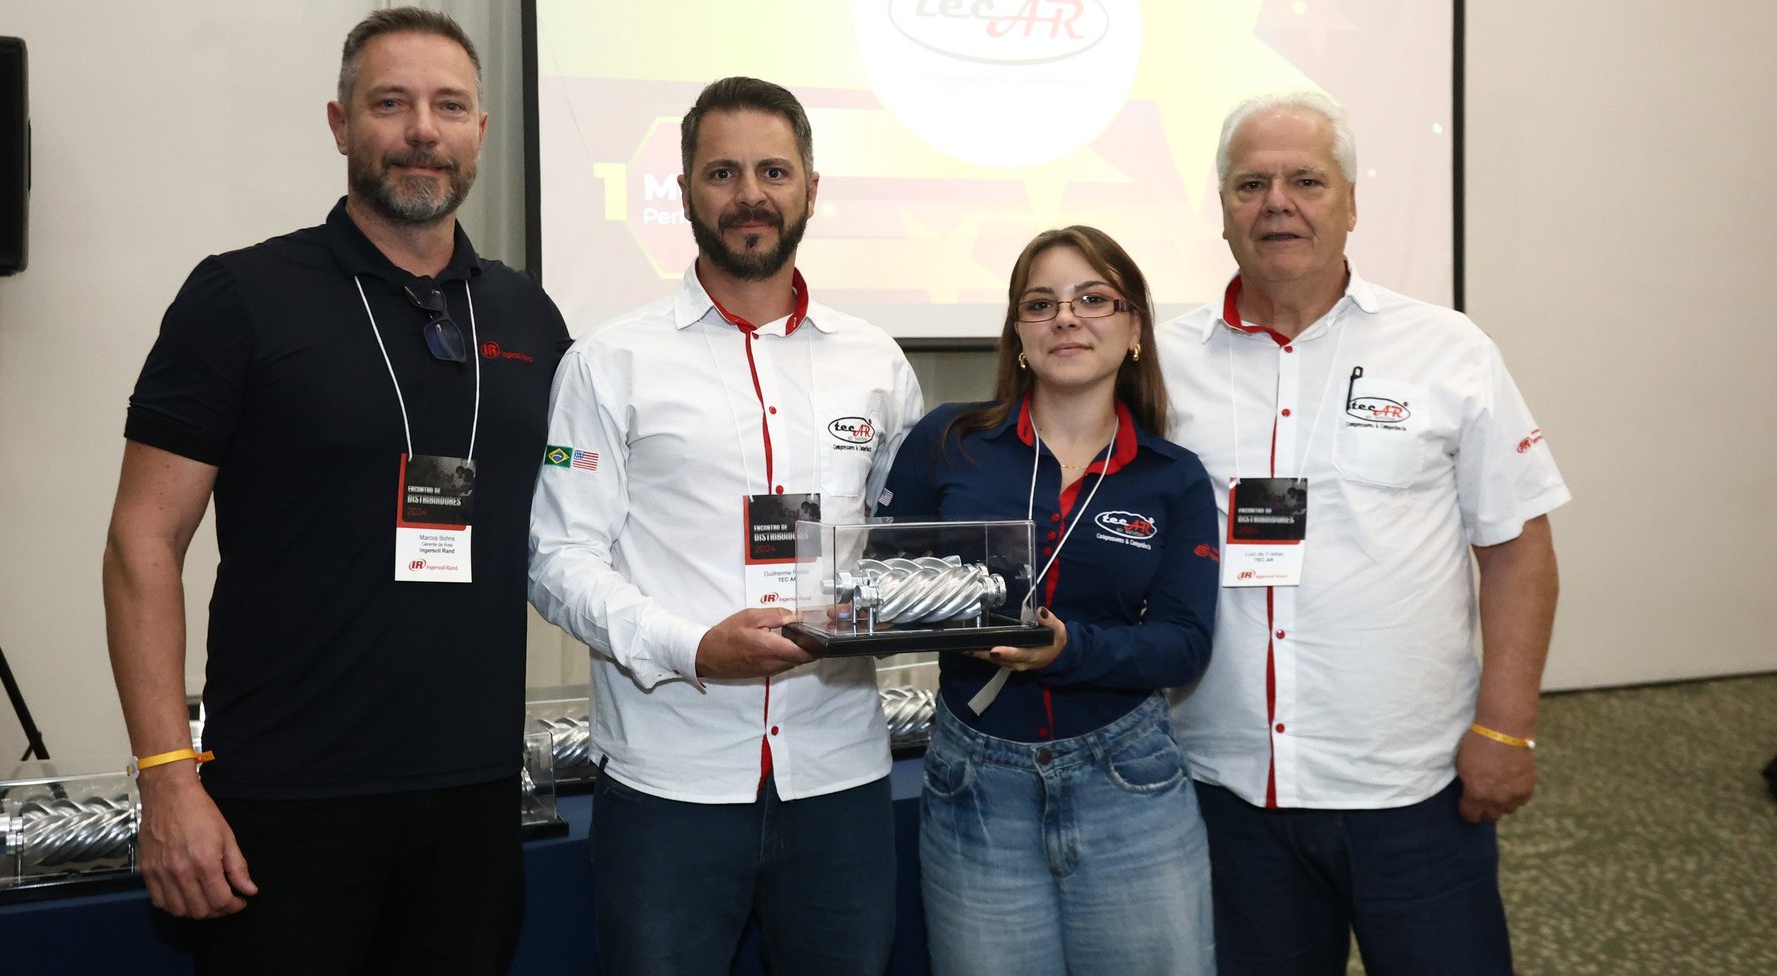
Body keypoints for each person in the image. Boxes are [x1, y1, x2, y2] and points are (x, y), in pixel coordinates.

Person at [102, 8, 568, 973]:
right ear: (340, 122)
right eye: (389, 103)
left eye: (448, 106)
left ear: (481, 130)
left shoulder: (529, 311)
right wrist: (166, 779)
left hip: (477, 803)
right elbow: (142, 541)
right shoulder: (239, 297)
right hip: (284, 808)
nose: (421, 131)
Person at [1159, 90, 1569, 975]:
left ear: (1351, 202)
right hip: (1224, 785)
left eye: (1307, 180)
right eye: (1250, 183)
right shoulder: (1161, 362)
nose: (1278, 203)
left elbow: (1516, 548)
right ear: (1222, 209)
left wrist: (1506, 728)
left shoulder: (1448, 351)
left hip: (1412, 789)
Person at [528, 76, 923, 976]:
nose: (751, 194)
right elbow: (557, 557)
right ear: (683, 191)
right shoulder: (609, 361)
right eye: (723, 172)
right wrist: (692, 646)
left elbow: (906, 547)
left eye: (774, 170)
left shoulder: (877, 361)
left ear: (811, 191)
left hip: (842, 782)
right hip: (671, 784)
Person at [880, 225, 1221, 975]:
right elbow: (878, 582)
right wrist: (940, 621)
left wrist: (1074, 651)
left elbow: (1184, 643)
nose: (1067, 317)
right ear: (1019, 333)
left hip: (1128, 782)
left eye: (1093, 298)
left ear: (1134, 330)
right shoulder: (948, 442)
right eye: (1042, 303)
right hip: (973, 782)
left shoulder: (1173, 477)